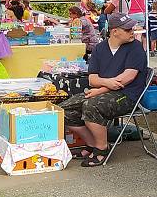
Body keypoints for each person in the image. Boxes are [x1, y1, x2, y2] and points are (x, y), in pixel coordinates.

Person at [60, 13, 148, 167]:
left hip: (127, 95)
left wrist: (99, 90)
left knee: (91, 105)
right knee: (63, 110)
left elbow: (126, 79)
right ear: (115, 32)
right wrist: (105, 84)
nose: (132, 31)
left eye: (131, 28)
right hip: (102, 91)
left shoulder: (135, 47)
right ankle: (91, 144)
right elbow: (92, 79)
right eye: (128, 29)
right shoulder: (100, 48)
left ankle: (102, 149)